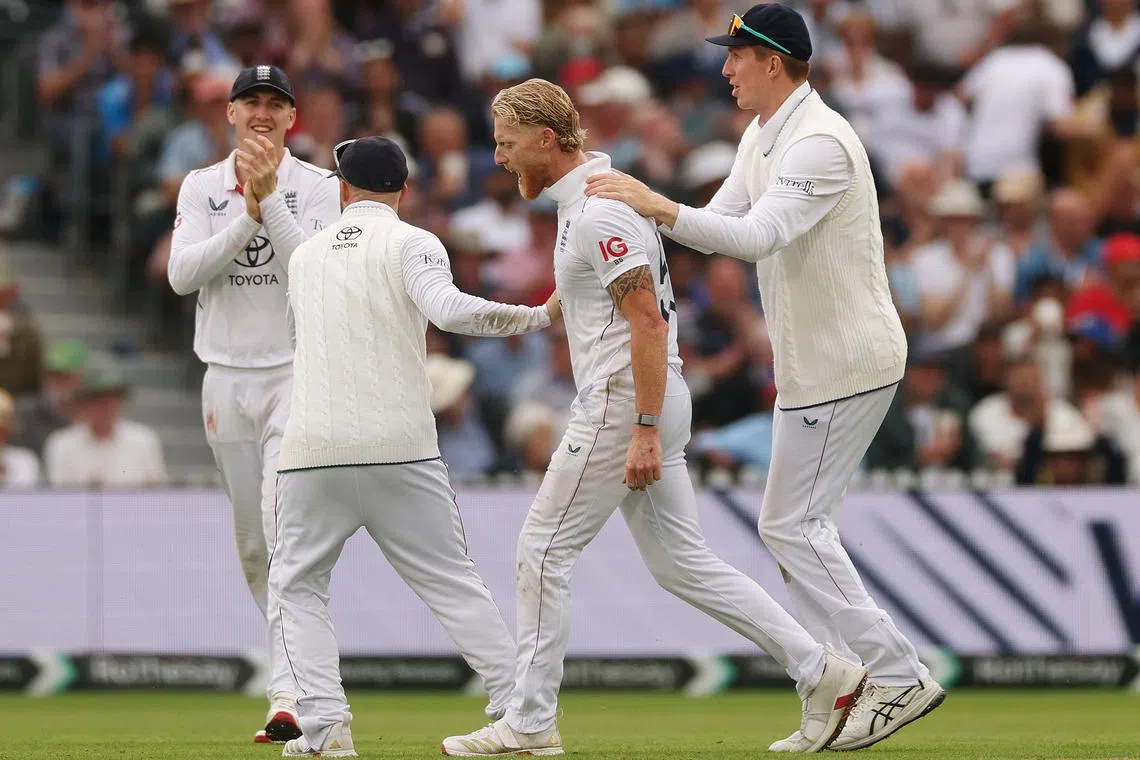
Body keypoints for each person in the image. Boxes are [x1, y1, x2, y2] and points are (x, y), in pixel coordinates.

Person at [442, 77, 867, 758]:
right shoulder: (591, 200)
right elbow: (600, 302)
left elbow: (646, 321)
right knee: (682, 565)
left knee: (542, 553)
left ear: (546, 140)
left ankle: (529, 724)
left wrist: (640, 427)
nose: (498, 157)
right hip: (649, 396)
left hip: (624, 401)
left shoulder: (598, 211)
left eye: (507, 142)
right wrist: (537, 316)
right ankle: (822, 672)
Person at [585, 3, 945, 751]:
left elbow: (756, 237)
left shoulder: (820, 143)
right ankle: (837, 692)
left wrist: (651, 202)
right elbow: (712, 225)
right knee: (792, 532)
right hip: (812, 364)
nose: (725, 69)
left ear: (772, 62)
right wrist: (612, 225)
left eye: (736, 57)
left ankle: (896, 673)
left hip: (848, 359)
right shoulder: (761, 134)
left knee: (791, 527)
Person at [267, 136, 559, 758]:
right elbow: (449, 312)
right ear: (403, 191)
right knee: (452, 583)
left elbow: (299, 342)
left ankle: (326, 728)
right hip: (399, 445)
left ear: (342, 190)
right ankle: (523, 716)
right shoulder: (414, 241)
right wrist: (535, 315)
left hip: (312, 449)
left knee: (296, 587)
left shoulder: (307, 255)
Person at [166, 64, 342, 744]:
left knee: (279, 525)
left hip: (294, 373)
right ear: (231, 113)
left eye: (275, 103)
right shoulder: (202, 186)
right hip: (224, 377)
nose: (262, 112)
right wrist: (247, 216)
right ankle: (297, 679)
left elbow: (317, 272)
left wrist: (270, 202)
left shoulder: (319, 186)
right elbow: (182, 275)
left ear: (293, 118)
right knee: (252, 546)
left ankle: (289, 693)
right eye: (251, 102)